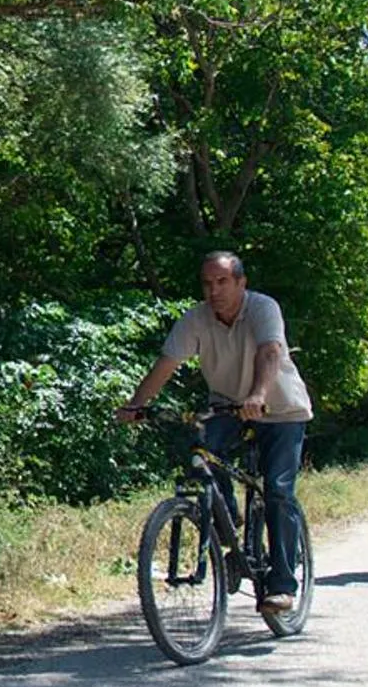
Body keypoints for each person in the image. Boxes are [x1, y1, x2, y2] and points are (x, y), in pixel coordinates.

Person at [116, 251, 313, 615]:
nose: (214, 290)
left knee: (278, 492)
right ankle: (228, 521)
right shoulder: (196, 319)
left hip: (280, 408)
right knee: (200, 453)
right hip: (226, 406)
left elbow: (270, 352)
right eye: (207, 283)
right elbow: (167, 363)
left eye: (222, 282)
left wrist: (257, 394)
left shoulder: (262, 309)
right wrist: (135, 405)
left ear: (241, 283)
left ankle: (283, 585)